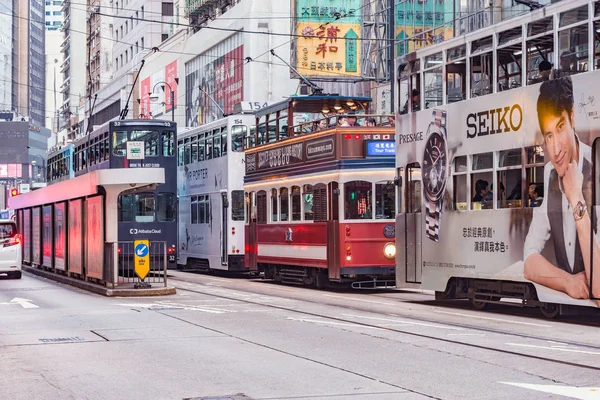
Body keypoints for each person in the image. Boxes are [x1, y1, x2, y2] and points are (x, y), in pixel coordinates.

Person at [524, 76, 600, 303]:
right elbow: (529, 260)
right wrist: (567, 281)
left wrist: (576, 197)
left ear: (573, 116)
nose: (555, 149)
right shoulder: (549, 174)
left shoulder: (596, 169)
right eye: (549, 135)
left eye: (560, 127)